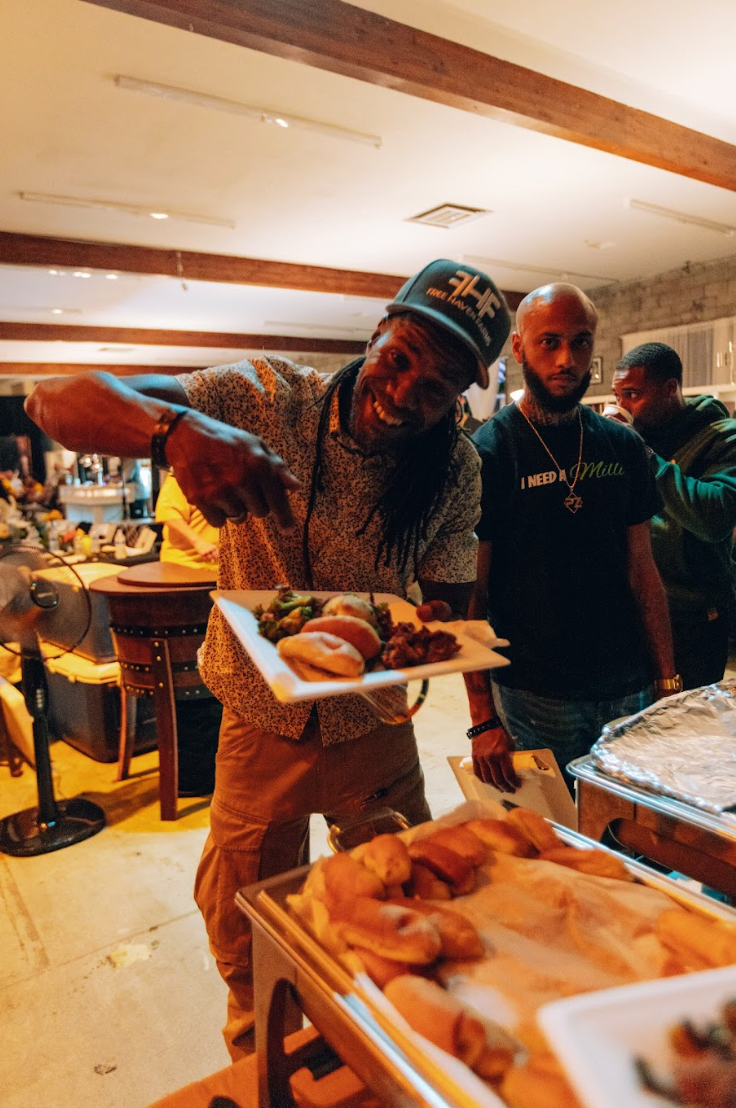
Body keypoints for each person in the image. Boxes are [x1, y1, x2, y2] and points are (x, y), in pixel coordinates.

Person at [24, 258, 511, 1059]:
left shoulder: (455, 467)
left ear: (462, 394)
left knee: (410, 905)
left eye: (436, 387)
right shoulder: (265, 396)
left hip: (375, 724)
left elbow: (449, 596)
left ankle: (388, 1060)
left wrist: (437, 628)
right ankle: (264, 1069)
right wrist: (177, 432)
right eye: (399, 359)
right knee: (246, 926)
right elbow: (52, 399)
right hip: (258, 720)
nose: (403, 393)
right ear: (377, 332)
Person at [464, 283, 679, 793]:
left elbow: (642, 569)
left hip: (627, 684)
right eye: (550, 342)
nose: (567, 359)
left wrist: (667, 679)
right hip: (535, 692)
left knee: (625, 821)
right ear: (519, 348)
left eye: (580, 342)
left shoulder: (623, 445)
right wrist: (481, 718)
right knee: (552, 827)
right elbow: (473, 595)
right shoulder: (488, 453)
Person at [612, 342, 736, 689]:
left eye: (632, 394)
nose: (623, 406)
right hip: (637, 610)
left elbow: (715, 518)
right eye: (618, 396)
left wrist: (644, 457)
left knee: (685, 717)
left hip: (694, 618)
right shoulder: (635, 441)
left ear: (670, 389)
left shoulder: (722, 437)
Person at [156, 470, 220, 569]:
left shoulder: (224, 477)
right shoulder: (182, 475)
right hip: (185, 564)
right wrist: (198, 542)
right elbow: (167, 512)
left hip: (218, 566)